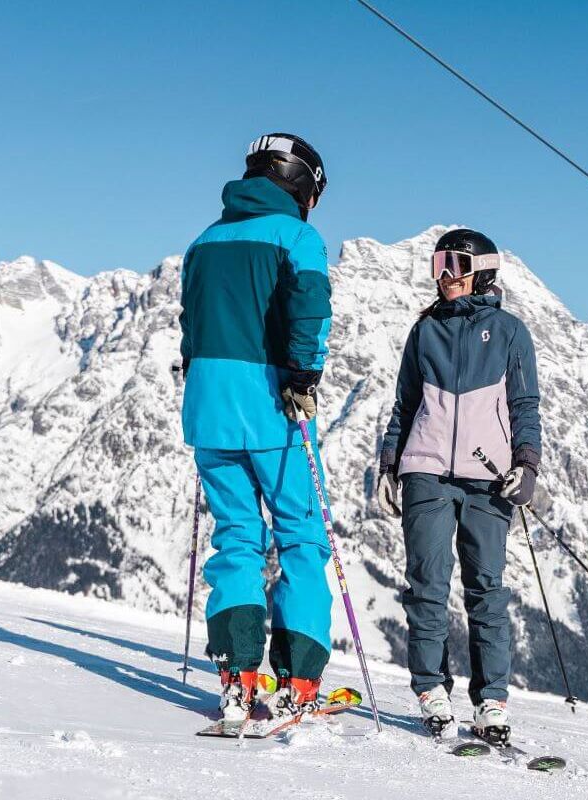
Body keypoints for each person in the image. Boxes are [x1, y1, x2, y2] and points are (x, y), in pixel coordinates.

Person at [178, 132, 333, 723]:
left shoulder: (204, 241)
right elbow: (310, 308)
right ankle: (299, 677)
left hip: (208, 408)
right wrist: (303, 376)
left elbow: (190, 327)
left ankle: (238, 673)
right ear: (300, 183)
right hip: (272, 406)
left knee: (237, 536)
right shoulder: (297, 236)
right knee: (300, 534)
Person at [374, 228, 542, 744]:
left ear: (483, 270)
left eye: (456, 264)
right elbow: (404, 405)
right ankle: (431, 689)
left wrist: (526, 464)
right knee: (426, 584)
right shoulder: (424, 332)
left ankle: (491, 699)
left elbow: (524, 407)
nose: (445, 275)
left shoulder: (511, 332)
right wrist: (389, 463)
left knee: (485, 588)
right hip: (425, 469)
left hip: (487, 476)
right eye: (438, 264)